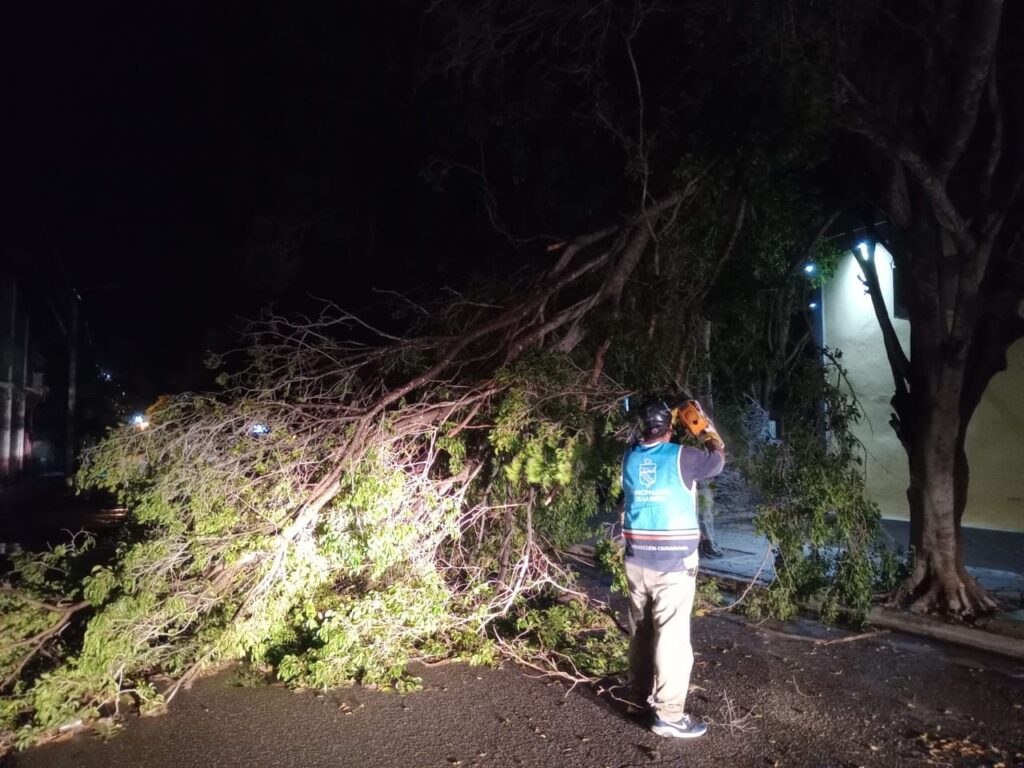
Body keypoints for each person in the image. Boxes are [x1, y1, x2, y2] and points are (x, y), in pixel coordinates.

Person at [620, 397, 725, 739]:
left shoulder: (630, 456)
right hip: (673, 565)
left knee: (641, 632)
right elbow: (718, 459)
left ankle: (637, 699)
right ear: (669, 427)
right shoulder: (683, 456)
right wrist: (707, 431)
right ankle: (668, 715)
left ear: (643, 426)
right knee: (672, 639)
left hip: (637, 562)